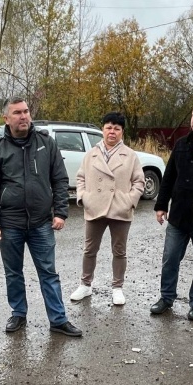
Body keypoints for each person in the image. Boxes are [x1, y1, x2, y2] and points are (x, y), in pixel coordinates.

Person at [0, 96, 82, 337]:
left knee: (48, 272)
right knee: (13, 272)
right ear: (6, 118)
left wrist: (60, 212)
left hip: (41, 223)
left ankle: (58, 319)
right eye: (17, 113)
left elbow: (59, 179)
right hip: (10, 224)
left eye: (26, 111)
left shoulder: (46, 143)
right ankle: (18, 313)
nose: (24, 116)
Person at [71, 112, 145, 306]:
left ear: (122, 132)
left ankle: (117, 287)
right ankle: (85, 285)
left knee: (119, 251)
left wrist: (129, 200)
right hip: (95, 206)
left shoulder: (130, 156)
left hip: (120, 209)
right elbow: (80, 178)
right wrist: (84, 197)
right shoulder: (92, 153)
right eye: (108, 127)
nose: (112, 132)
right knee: (89, 249)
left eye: (117, 128)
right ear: (103, 129)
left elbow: (139, 182)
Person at [150, 100, 193, 320]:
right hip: (178, 215)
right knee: (170, 258)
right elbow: (169, 177)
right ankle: (166, 298)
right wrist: (161, 205)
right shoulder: (181, 143)